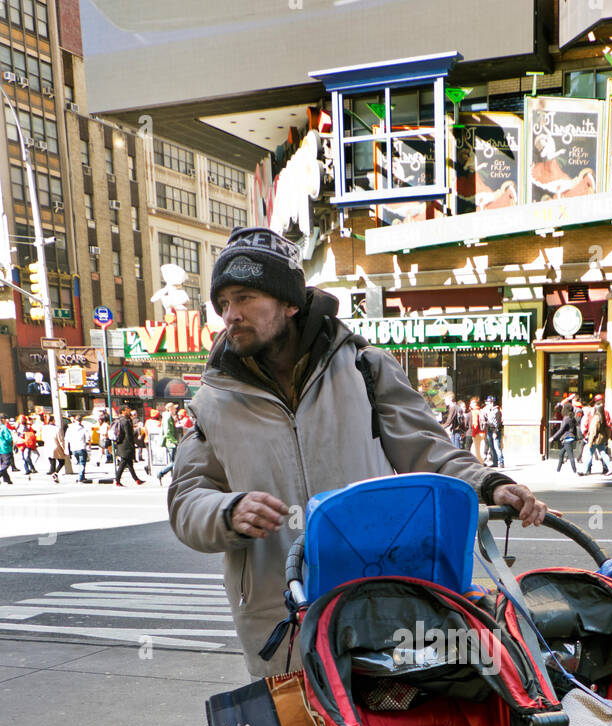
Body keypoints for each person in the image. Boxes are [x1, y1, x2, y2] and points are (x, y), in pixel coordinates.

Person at [167, 225, 546, 678]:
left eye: (246, 298)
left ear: (290, 302)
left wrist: (489, 483)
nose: (231, 315)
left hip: (376, 595)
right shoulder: (212, 399)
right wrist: (227, 512)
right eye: (223, 304)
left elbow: (427, 450)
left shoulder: (365, 368)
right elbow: (187, 497)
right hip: (277, 615)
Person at [112, 407, 144, 486]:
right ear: (123, 411)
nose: (129, 410)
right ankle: (117, 480)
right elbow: (128, 435)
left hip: (121, 444)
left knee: (129, 463)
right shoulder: (125, 421)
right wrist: (132, 444)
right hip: (126, 445)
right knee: (123, 463)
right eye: (127, 409)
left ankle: (136, 479)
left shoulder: (120, 420)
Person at [584, 394, 612, 475]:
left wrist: (589, 437)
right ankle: (610, 468)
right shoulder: (604, 413)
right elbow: (608, 426)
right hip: (602, 437)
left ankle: (585, 470)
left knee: (589, 453)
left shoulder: (594, 415)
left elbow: (591, 428)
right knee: (603, 452)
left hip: (595, 438)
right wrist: (608, 436)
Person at [550, 398, 580, 473]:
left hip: (567, 438)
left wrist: (553, 438)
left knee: (570, 455)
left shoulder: (566, 418)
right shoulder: (572, 418)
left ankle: (574, 470)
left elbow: (561, 430)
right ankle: (558, 470)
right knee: (561, 454)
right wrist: (576, 437)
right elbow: (575, 428)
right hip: (570, 437)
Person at [64, 414, 90, 482]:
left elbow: (66, 439)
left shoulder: (70, 428)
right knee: (82, 463)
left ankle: (82, 476)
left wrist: (67, 449)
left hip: (74, 449)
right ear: (81, 421)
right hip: (82, 447)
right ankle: (81, 477)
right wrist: (89, 447)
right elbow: (88, 438)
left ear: (75, 420)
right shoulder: (83, 428)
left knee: (79, 463)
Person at [482, 395, 504, 468]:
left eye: (488, 402)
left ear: (492, 402)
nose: (487, 403)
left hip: (495, 429)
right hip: (489, 429)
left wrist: (495, 432)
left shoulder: (496, 410)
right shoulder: (487, 409)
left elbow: (496, 422)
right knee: (491, 446)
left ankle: (501, 462)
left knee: (497, 446)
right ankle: (495, 462)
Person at [0, 418, 13, 483]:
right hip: (4, 447)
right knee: (6, 462)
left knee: (2, 463)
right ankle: (1, 473)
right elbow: (8, 437)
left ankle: (7, 479)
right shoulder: (3, 427)